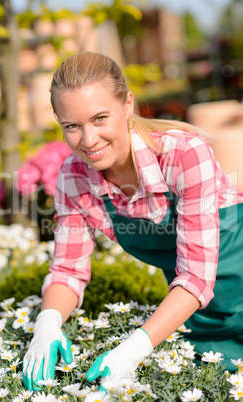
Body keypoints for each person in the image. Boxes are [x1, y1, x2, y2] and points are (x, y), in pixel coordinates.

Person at [23, 51, 243, 391]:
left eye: (99, 118)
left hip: (206, 290)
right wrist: (47, 323)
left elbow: (197, 275)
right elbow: (68, 270)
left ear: (127, 104)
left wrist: (135, 348)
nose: (89, 140)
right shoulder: (74, 177)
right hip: (199, 318)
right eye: (72, 126)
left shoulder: (182, 154)